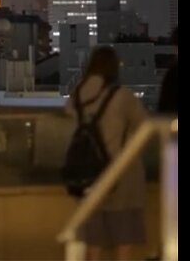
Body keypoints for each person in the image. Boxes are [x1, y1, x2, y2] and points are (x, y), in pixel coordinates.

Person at [68, 46, 148, 261]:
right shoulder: (122, 96)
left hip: (87, 174)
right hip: (121, 174)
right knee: (123, 242)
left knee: (92, 243)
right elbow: (145, 128)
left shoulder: (76, 94)